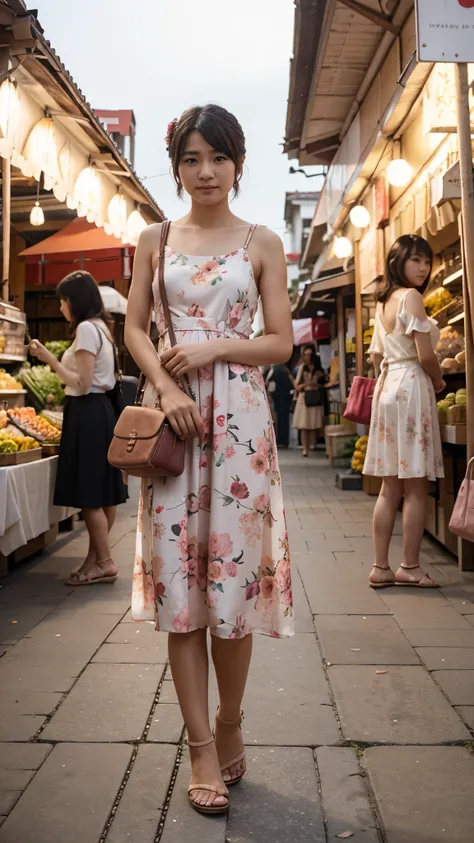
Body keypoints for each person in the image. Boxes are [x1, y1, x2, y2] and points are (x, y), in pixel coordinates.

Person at [124, 104, 295, 816]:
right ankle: (201, 744)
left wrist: (214, 347)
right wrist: (166, 383)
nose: (205, 172)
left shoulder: (263, 242)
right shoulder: (154, 238)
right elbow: (133, 326)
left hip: (241, 435)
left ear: (238, 163)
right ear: (177, 167)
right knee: (180, 591)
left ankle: (230, 719)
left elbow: (281, 341)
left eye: (217, 158)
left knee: (231, 593)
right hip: (174, 427)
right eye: (192, 159)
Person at [29, 271, 127, 585]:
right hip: (103, 412)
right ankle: (94, 562)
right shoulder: (103, 327)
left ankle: (107, 562)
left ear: (75, 301)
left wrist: (49, 359)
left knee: (89, 494)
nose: (60, 308)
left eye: (63, 301)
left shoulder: (86, 328)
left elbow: (82, 384)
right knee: (103, 493)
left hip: (87, 412)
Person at [364, 235, 445, 589]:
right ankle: (409, 567)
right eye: (415, 260)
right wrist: (439, 381)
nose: (423, 268)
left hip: (386, 387)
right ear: (397, 262)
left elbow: (376, 357)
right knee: (415, 487)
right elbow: (425, 355)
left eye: (426, 261)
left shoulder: (383, 302)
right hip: (411, 385)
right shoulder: (412, 297)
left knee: (388, 488)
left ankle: (380, 567)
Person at [292, 344, 324, 457]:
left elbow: (322, 383)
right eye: (305, 355)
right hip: (304, 398)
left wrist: (316, 381)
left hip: (315, 397)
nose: (308, 357)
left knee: (314, 424)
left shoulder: (318, 368)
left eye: (310, 355)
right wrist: (308, 383)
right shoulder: (302, 368)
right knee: (304, 425)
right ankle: (305, 449)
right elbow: (297, 386)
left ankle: (312, 444)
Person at [265, 362, 294, 448]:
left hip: (278, 397)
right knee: (283, 419)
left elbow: (271, 383)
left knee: (280, 419)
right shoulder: (284, 369)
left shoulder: (276, 370)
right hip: (283, 397)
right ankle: (283, 440)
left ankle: (281, 439)